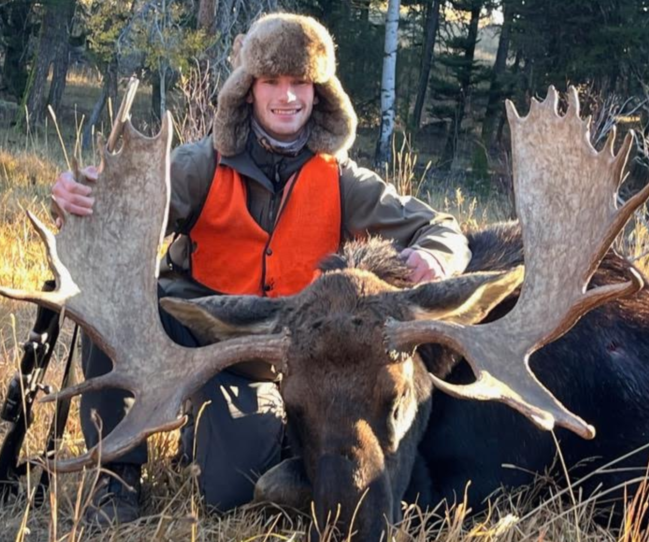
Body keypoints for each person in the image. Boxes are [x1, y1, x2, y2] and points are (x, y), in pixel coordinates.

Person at [51, 13, 471, 527]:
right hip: (190, 324)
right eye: (272, 81)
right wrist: (83, 199)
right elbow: (121, 217)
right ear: (249, 90)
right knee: (111, 304)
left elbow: (444, 227)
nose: (286, 96)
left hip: (263, 351)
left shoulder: (343, 181)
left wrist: (435, 256)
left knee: (230, 492)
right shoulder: (201, 164)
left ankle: (210, 434)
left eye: (300, 83)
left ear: (320, 93)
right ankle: (114, 479)